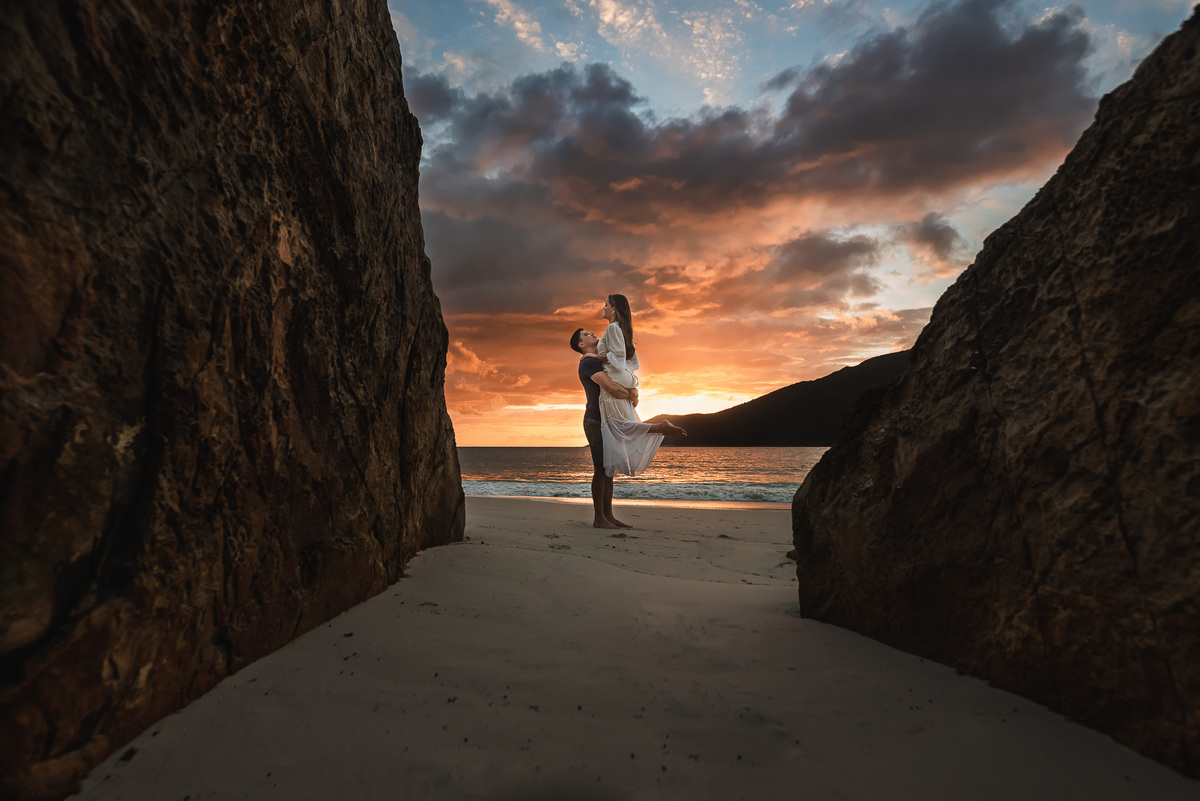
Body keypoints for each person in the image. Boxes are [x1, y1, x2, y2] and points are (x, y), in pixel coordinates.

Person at [570, 325, 685, 529]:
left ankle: (608, 516)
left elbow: (620, 377)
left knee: (608, 470)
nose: (592, 334)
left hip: (608, 417)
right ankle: (599, 519)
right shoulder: (588, 362)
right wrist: (630, 394)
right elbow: (610, 387)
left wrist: (632, 390)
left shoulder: (601, 360)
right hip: (596, 420)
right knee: (600, 468)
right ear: (581, 344)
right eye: (586, 334)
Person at [594, 294, 685, 476]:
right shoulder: (622, 328)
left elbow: (618, 356)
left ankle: (660, 427)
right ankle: (658, 428)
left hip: (616, 376)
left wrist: (594, 356)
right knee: (621, 424)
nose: (603, 308)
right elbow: (629, 360)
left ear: (614, 309)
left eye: (605, 305)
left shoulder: (612, 327)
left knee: (616, 425)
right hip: (624, 376)